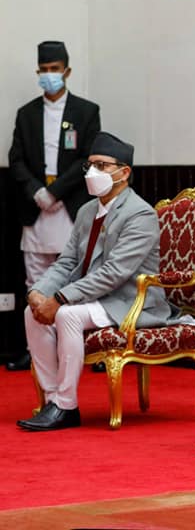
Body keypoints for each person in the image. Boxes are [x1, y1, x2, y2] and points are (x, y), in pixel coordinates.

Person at [16, 132, 174, 431]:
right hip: (94, 298)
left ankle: (66, 405)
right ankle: (53, 400)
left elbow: (114, 272)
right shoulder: (87, 210)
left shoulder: (140, 214)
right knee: (31, 313)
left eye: (102, 165)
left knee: (68, 315)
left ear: (124, 173)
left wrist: (60, 299)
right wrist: (39, 291)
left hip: (130, 301)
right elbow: (67, 262)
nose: (92, 172)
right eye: (89, 165)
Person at [7, 41, 101, 371]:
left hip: (70, 205)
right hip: (35, 207)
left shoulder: (86, 112)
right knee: (35, 280)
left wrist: (56, 191)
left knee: (79, 277)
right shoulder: (27, 114)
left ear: (67, 71)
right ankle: (36, 350)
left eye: (55, 70)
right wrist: (37, 191)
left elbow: (88, 158)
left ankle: (86, 347)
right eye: (44, 70)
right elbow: (16, 159)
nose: (49, 75)